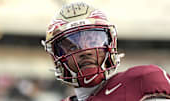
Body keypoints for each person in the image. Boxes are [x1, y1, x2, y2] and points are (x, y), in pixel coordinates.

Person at [41, 2, 170, 101]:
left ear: (110, 44)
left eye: (93, 42)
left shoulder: (142, 82)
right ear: (56, 57)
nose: (85, 51)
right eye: (73, 46)